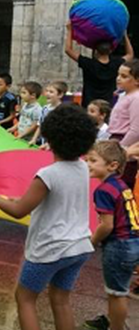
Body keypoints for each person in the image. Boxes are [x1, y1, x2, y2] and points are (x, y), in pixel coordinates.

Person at [0, 104, 96, 330]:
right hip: (79, 246)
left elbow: (19, 211)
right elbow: (49, 200)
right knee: (61, 300)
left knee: (25, 299)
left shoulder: (47, 174)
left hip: (49, 250)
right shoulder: (83, 167)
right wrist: (16, 199)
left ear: (50, 137)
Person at [82, 141, 139, 330]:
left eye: (93, 160)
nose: (87, 163)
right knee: (118, 291)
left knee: (116, 293)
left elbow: (106, 225)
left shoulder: (104, 190)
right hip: (132, 241)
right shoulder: (120, 184)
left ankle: (115, 327)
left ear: (112, 165)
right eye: (87, 159)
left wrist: (91, 242)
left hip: (119, 245)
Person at [65, 24, 134, 108]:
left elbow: (68, 50)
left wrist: (70, 30)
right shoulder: (116, 64)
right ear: (111, 51)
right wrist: (125, 35)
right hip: (107, 105)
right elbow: (130, 54)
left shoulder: (88, 64)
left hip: (89, 105)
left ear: (96, 51)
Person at [108, 59, 139, 189]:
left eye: (124, 76)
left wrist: (121, 149)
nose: (118, 79)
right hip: (115, 139)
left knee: (122, 184)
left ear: (137, 80)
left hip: (125, 142)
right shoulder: (123, 96)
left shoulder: (136, 98)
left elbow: (136, 130)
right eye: (118, 74)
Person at [30, 81, 68, 146]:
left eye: (51, 92)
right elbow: (40, 125)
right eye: (46, 91)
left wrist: (50, 144)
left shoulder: (63, 110)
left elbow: (61, 131)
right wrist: (34, 139)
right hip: (43, 142)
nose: (47, 94)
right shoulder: (45, 108)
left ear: (60, 95)